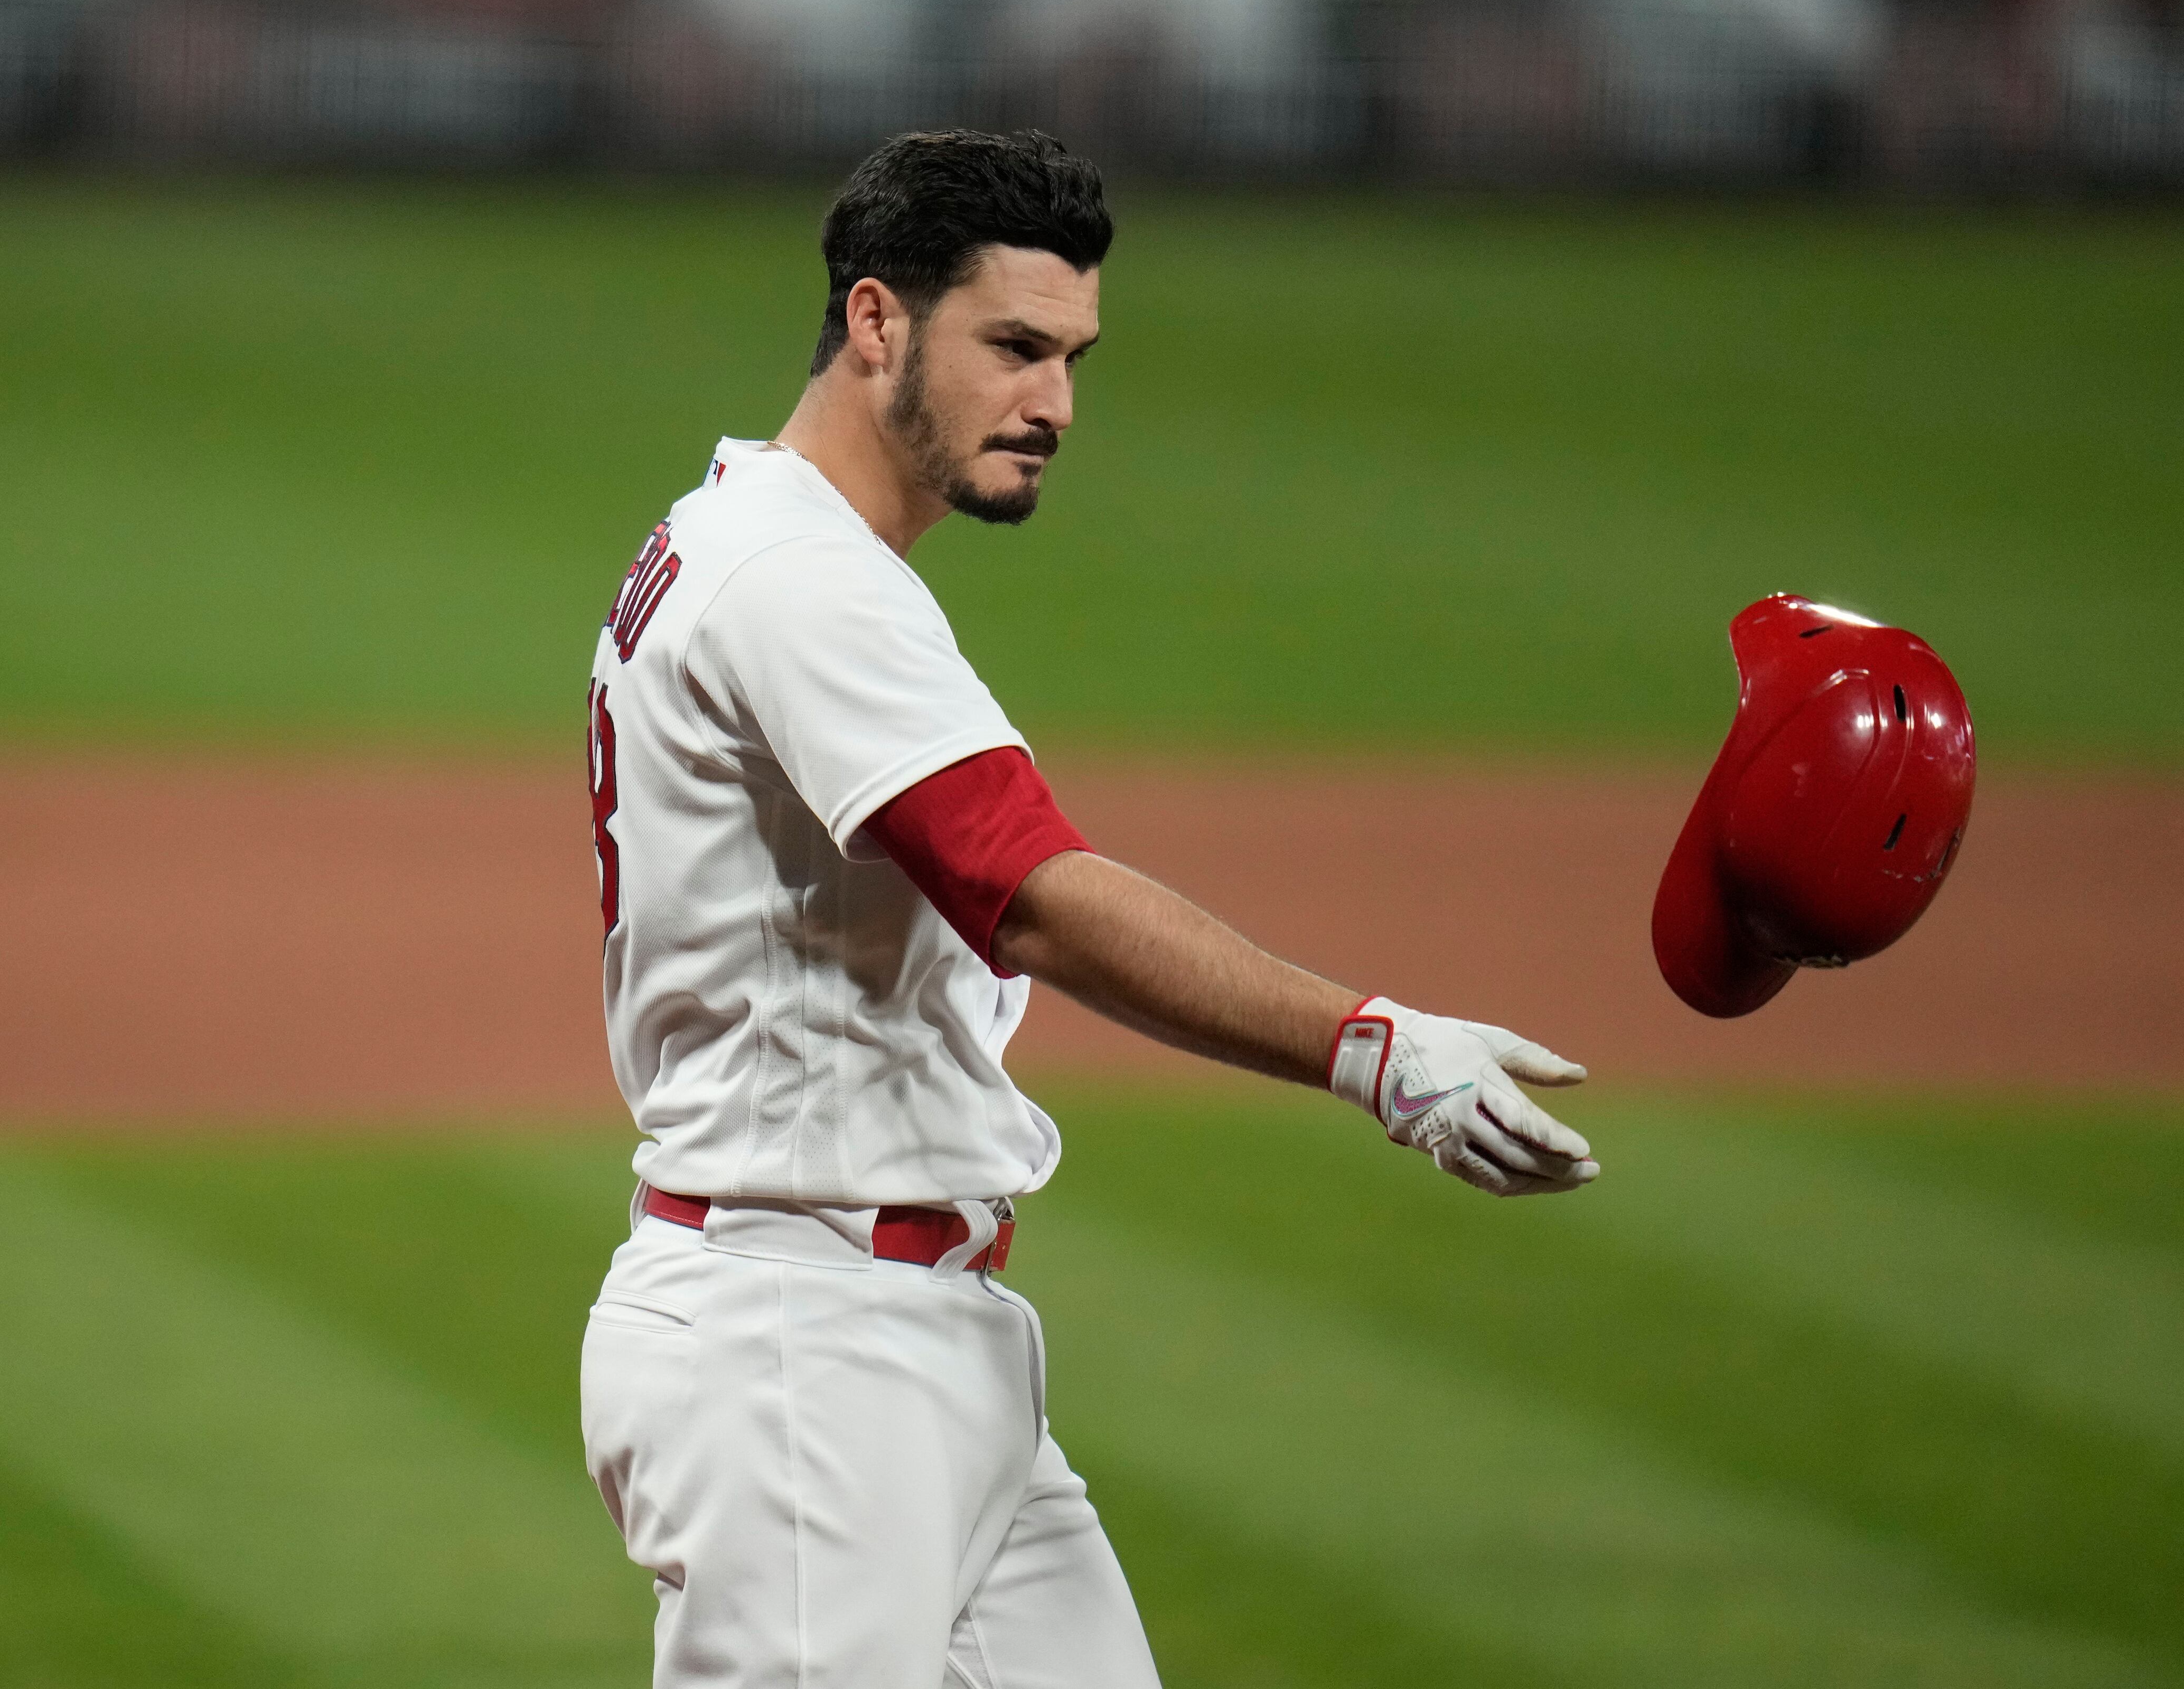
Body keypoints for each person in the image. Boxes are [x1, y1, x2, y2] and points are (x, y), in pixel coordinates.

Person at [579, 128, 1600, 1688]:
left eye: (1072, 357)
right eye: (1012, 347)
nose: (1053, 402)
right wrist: (1372, 1048)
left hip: (909, 1340)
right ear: (874, 323)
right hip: (802, 1352)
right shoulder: (800, 580)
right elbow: (1031, 893)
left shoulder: (741, 535)